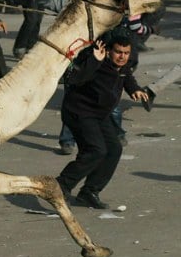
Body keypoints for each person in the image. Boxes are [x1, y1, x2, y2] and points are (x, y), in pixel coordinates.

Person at [56, 36, 149, 209]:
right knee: (95, 150)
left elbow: (126, 75)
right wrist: (94, 60)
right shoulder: (94, 61)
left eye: (126, 53)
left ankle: (89, 192)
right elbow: (74, 79)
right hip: (79, 112)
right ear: (108, 51)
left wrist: (134, 89)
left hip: (100, 115)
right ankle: (60, 186)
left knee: (114, 149)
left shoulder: (123, 65)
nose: (122, 56)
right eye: (118, 52)